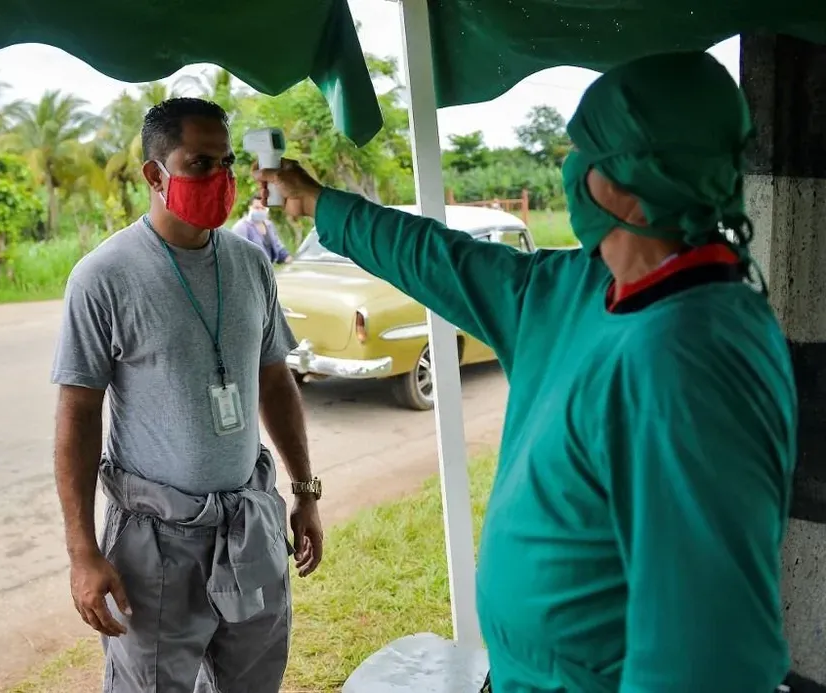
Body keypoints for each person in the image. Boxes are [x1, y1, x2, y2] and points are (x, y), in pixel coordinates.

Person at [257, 52, 796, 692]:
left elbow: (708, 659)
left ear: (624, 181)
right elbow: (440, 258)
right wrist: (322, 204)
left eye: (582, 153)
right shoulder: (574, 290)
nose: (570, 170)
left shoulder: (690, 362)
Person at [51, 97, 324, 693]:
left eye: (226, 164)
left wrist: (304, 491)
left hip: (249, 524)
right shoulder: (104, 277)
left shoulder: (252, 265)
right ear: (155, 174)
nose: (219, 180)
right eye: (199, 163)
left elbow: (274, 380)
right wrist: (82, 553)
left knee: (254, 680)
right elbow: (77, 414)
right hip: (154, 545)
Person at [232, 194, 293, 264]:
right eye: (257, 208)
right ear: (250, 208)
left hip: (269, 269)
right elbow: (240, 254)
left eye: (263, 208)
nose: (260, 210)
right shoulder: (241, 227)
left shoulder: (269, 225)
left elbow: (277, 246)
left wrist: (287, 257)